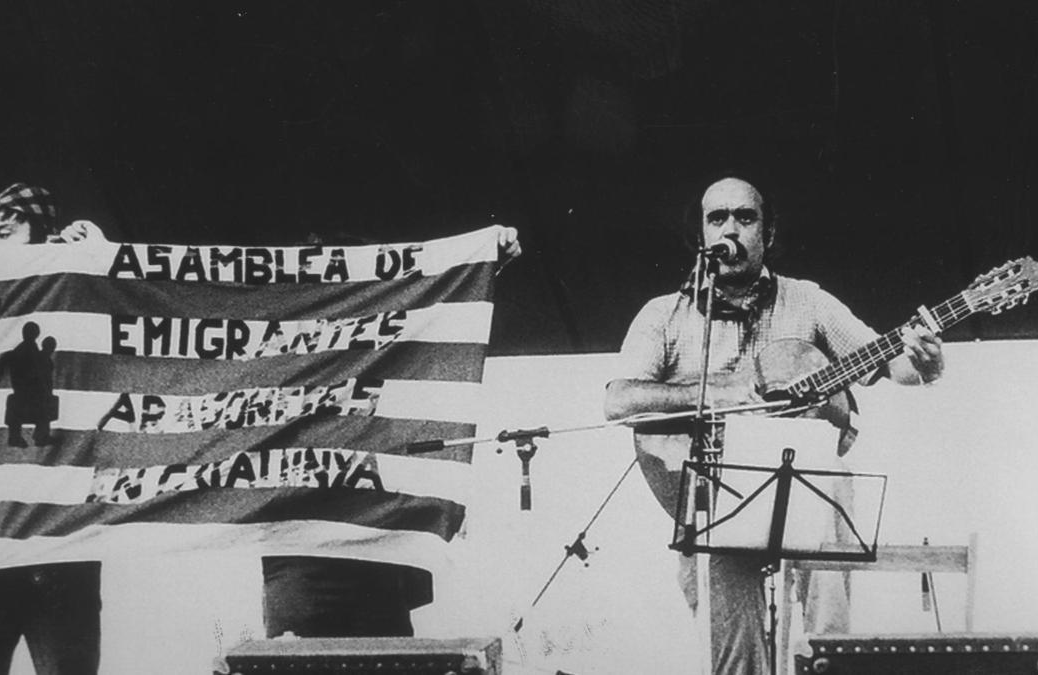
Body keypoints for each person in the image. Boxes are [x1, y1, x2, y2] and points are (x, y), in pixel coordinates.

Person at [603, 175, 944, 675]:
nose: (731, 229)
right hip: (710, 501)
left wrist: (927, 362)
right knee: (735, 659)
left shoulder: (808, 302)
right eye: (717, 218)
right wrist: (730, 392)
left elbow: (895, 366)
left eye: (746, 217)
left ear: (769, 232)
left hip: (809, 497)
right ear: (699, 236)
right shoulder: (665, 314)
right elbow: (619, 401)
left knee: (829, 639)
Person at [261, 224, 522, 639]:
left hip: (378, 550)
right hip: (302, 556)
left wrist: (489, 261)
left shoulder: (388, 345)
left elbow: (440, 309)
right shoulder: (275, 349)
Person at [0, 182, 107, 675]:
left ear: (45, 235)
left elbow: (129, 318)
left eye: (4, 230)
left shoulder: (74, 299)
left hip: (61, 542)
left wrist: (98, 256)